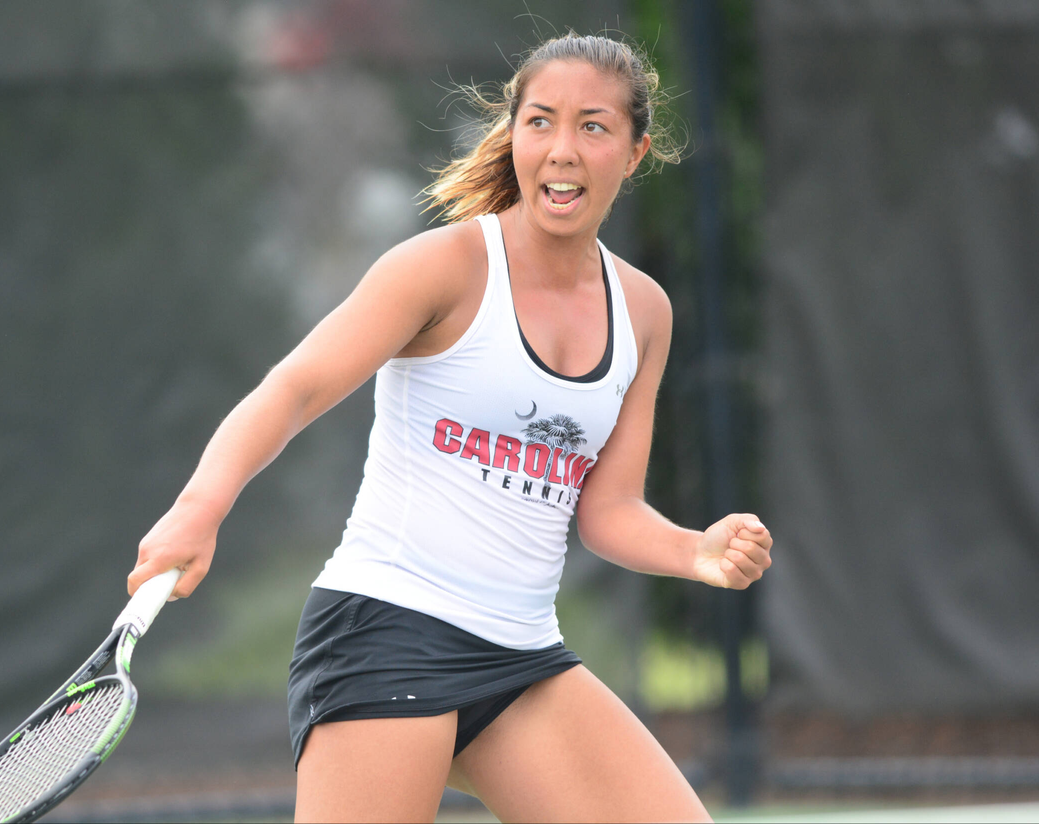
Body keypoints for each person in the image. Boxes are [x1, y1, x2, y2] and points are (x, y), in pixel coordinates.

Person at [127, 32, 772, 823]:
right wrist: (199, 507)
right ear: (514, 134)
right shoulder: (442, 267)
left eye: (593, 127)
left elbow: (607, 510)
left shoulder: (644, 311)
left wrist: (695, 552)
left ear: (635, 152)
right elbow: (293, 389)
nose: (562, 149)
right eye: (540, 121)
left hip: (522, 660)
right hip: (386, 634)